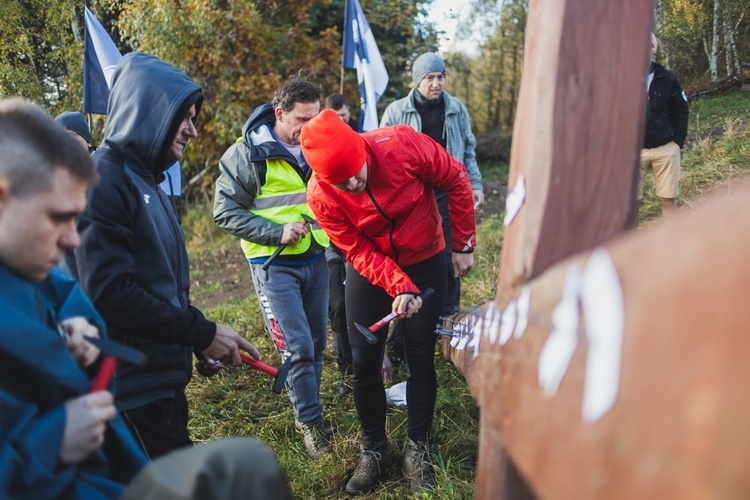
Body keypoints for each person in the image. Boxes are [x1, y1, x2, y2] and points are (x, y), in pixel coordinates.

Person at [0, 97, 290, 499]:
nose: (72, 240)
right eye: (58, 217)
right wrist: (54, 442)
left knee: (249, 468)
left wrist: (191, 338)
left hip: (104, 474)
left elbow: (91, 334)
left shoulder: (46, 280)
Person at [71, 52, 260, 460]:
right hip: (127, 391)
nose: (193, 131)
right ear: (149, 110)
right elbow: (109, 293)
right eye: (184, 118)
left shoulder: (150, 182)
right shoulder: (104, 179)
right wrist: (200, 331)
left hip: (158, 383)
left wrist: (196, 343)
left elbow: (159, 287)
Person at [300, 109, 476, 494]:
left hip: (425, 255)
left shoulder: (402, 144)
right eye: (341, 181)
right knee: (363, 361)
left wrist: (462, 244)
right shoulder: (320, 195)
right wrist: (397, 284)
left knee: (418, 353)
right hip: (369, 269)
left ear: (360, 147)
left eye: (356, 170)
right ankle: (374, 449)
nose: (354, 182)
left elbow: (456, 179)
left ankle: (418, 447)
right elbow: (355, 250)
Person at [213, 76, 332, 458]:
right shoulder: (247, 153)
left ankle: (308, 403)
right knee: (297, 347)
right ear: (279, 114)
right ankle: (311, 422)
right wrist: (274, 232)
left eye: (314, 118)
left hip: (317, 258)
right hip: (274, 264)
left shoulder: (318, 142)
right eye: (301, 120)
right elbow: (224, 211)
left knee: (315, 343)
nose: (309, 128)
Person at [380, 51, 483, 317]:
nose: (436, 83)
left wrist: (476, 185)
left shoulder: (456, 108)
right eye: (429, 78)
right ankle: (410, 319)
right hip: (412, 197)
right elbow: (381, 157)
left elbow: (468, 150)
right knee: (416, 258)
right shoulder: (396, 111)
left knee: (451, 256)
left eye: (440, 77)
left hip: (448, 191)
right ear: (417, 80)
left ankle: (449, 317)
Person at [323, 95, 392, 395]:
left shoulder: (358, 144)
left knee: (370, 300)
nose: (342, 120)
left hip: (362, 246)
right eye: (335, 116)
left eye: (345, 115)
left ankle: (380, 356)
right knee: (339, 305)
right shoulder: (319, 152)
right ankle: (345, 369)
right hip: (331, 245)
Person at [639, 32, 689, 219]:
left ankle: (678, 245)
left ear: (653, 49)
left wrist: (677, 143)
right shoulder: (623, 79)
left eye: (649, 46)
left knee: (668, 200)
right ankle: (632, 247)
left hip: (666, 149)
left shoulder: (667, 78)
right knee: (631, 205)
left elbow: (681, 110)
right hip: (633, 153)